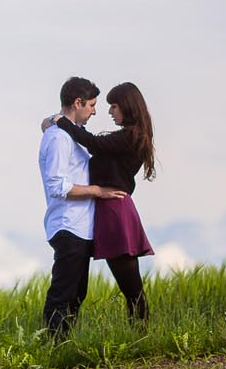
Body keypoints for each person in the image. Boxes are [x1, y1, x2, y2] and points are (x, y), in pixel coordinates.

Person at [45, 80, 157, 324]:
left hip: (114, 209)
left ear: (127, 107)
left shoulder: (130, 137)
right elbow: (91, 142)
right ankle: (141, 334)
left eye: (113, 106)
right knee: (121, 285)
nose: (108, 111)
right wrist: (53, 123)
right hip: (106, 210)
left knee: (131, 286)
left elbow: (93, 143)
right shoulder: (125, 137)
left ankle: (142, 335)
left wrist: (59, 121)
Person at [37, 76, 126, 336]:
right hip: (67, 226)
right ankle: (52, 348)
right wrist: (98, 191)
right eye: (91, 105)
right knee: (63, 292)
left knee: (77, 293)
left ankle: (64, 345)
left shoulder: (70, 135)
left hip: (80, 227)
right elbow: (58, 186)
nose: (95, 111)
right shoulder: (58, 139)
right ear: (78, 102)